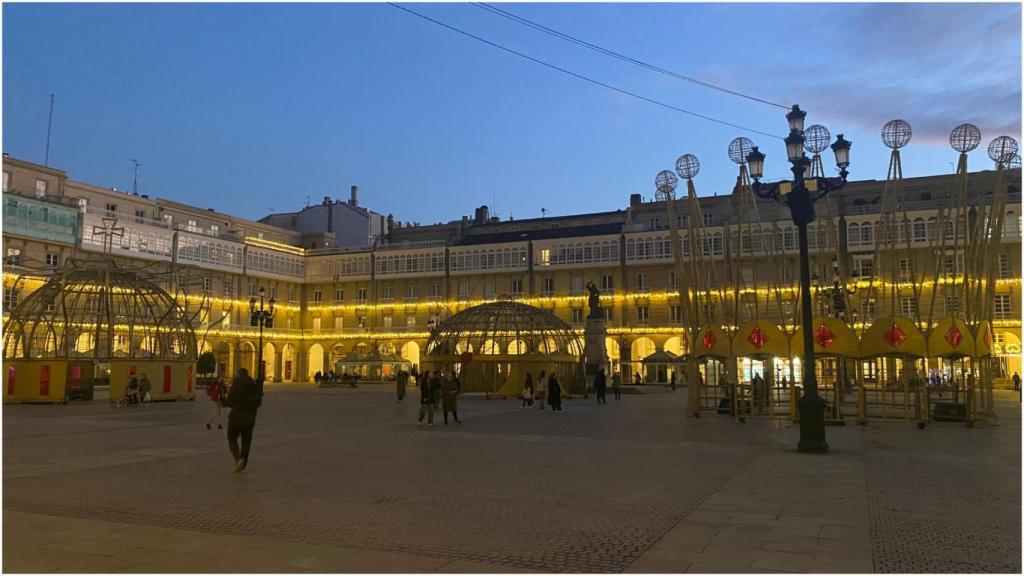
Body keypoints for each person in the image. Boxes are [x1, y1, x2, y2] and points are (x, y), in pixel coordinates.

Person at [224, 367, 261, 473]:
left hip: (236, 417)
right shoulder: (254, 385)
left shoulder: (236, 384)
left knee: (231, 437)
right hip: (250, 419)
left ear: (238, 374)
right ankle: (244, 460)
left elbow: (230, 402)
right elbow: (259, 401)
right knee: (246, 440)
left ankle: (238, 458)